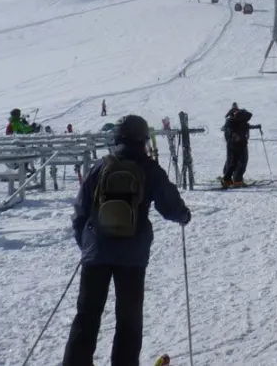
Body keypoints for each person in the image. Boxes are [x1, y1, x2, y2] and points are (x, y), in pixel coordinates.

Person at [62, 114, 190, 365]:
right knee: (129, 319)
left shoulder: (101, 166)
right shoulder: (148, 167)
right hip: (132, 254)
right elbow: (169, 205)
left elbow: (80, 211)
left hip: (96, 251)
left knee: (87, 316)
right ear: (142, 139)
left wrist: (87, 244)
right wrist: (183, 215)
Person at [222, 103, 257, 187]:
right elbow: (229, 129)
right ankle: (237, 180)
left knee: (233, 162)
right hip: (238, 144)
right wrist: (234, 135)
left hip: (233, 143)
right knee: (242, 161)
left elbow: (246, 124)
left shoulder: (236, 120)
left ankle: (227, 180)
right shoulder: (235, 120)